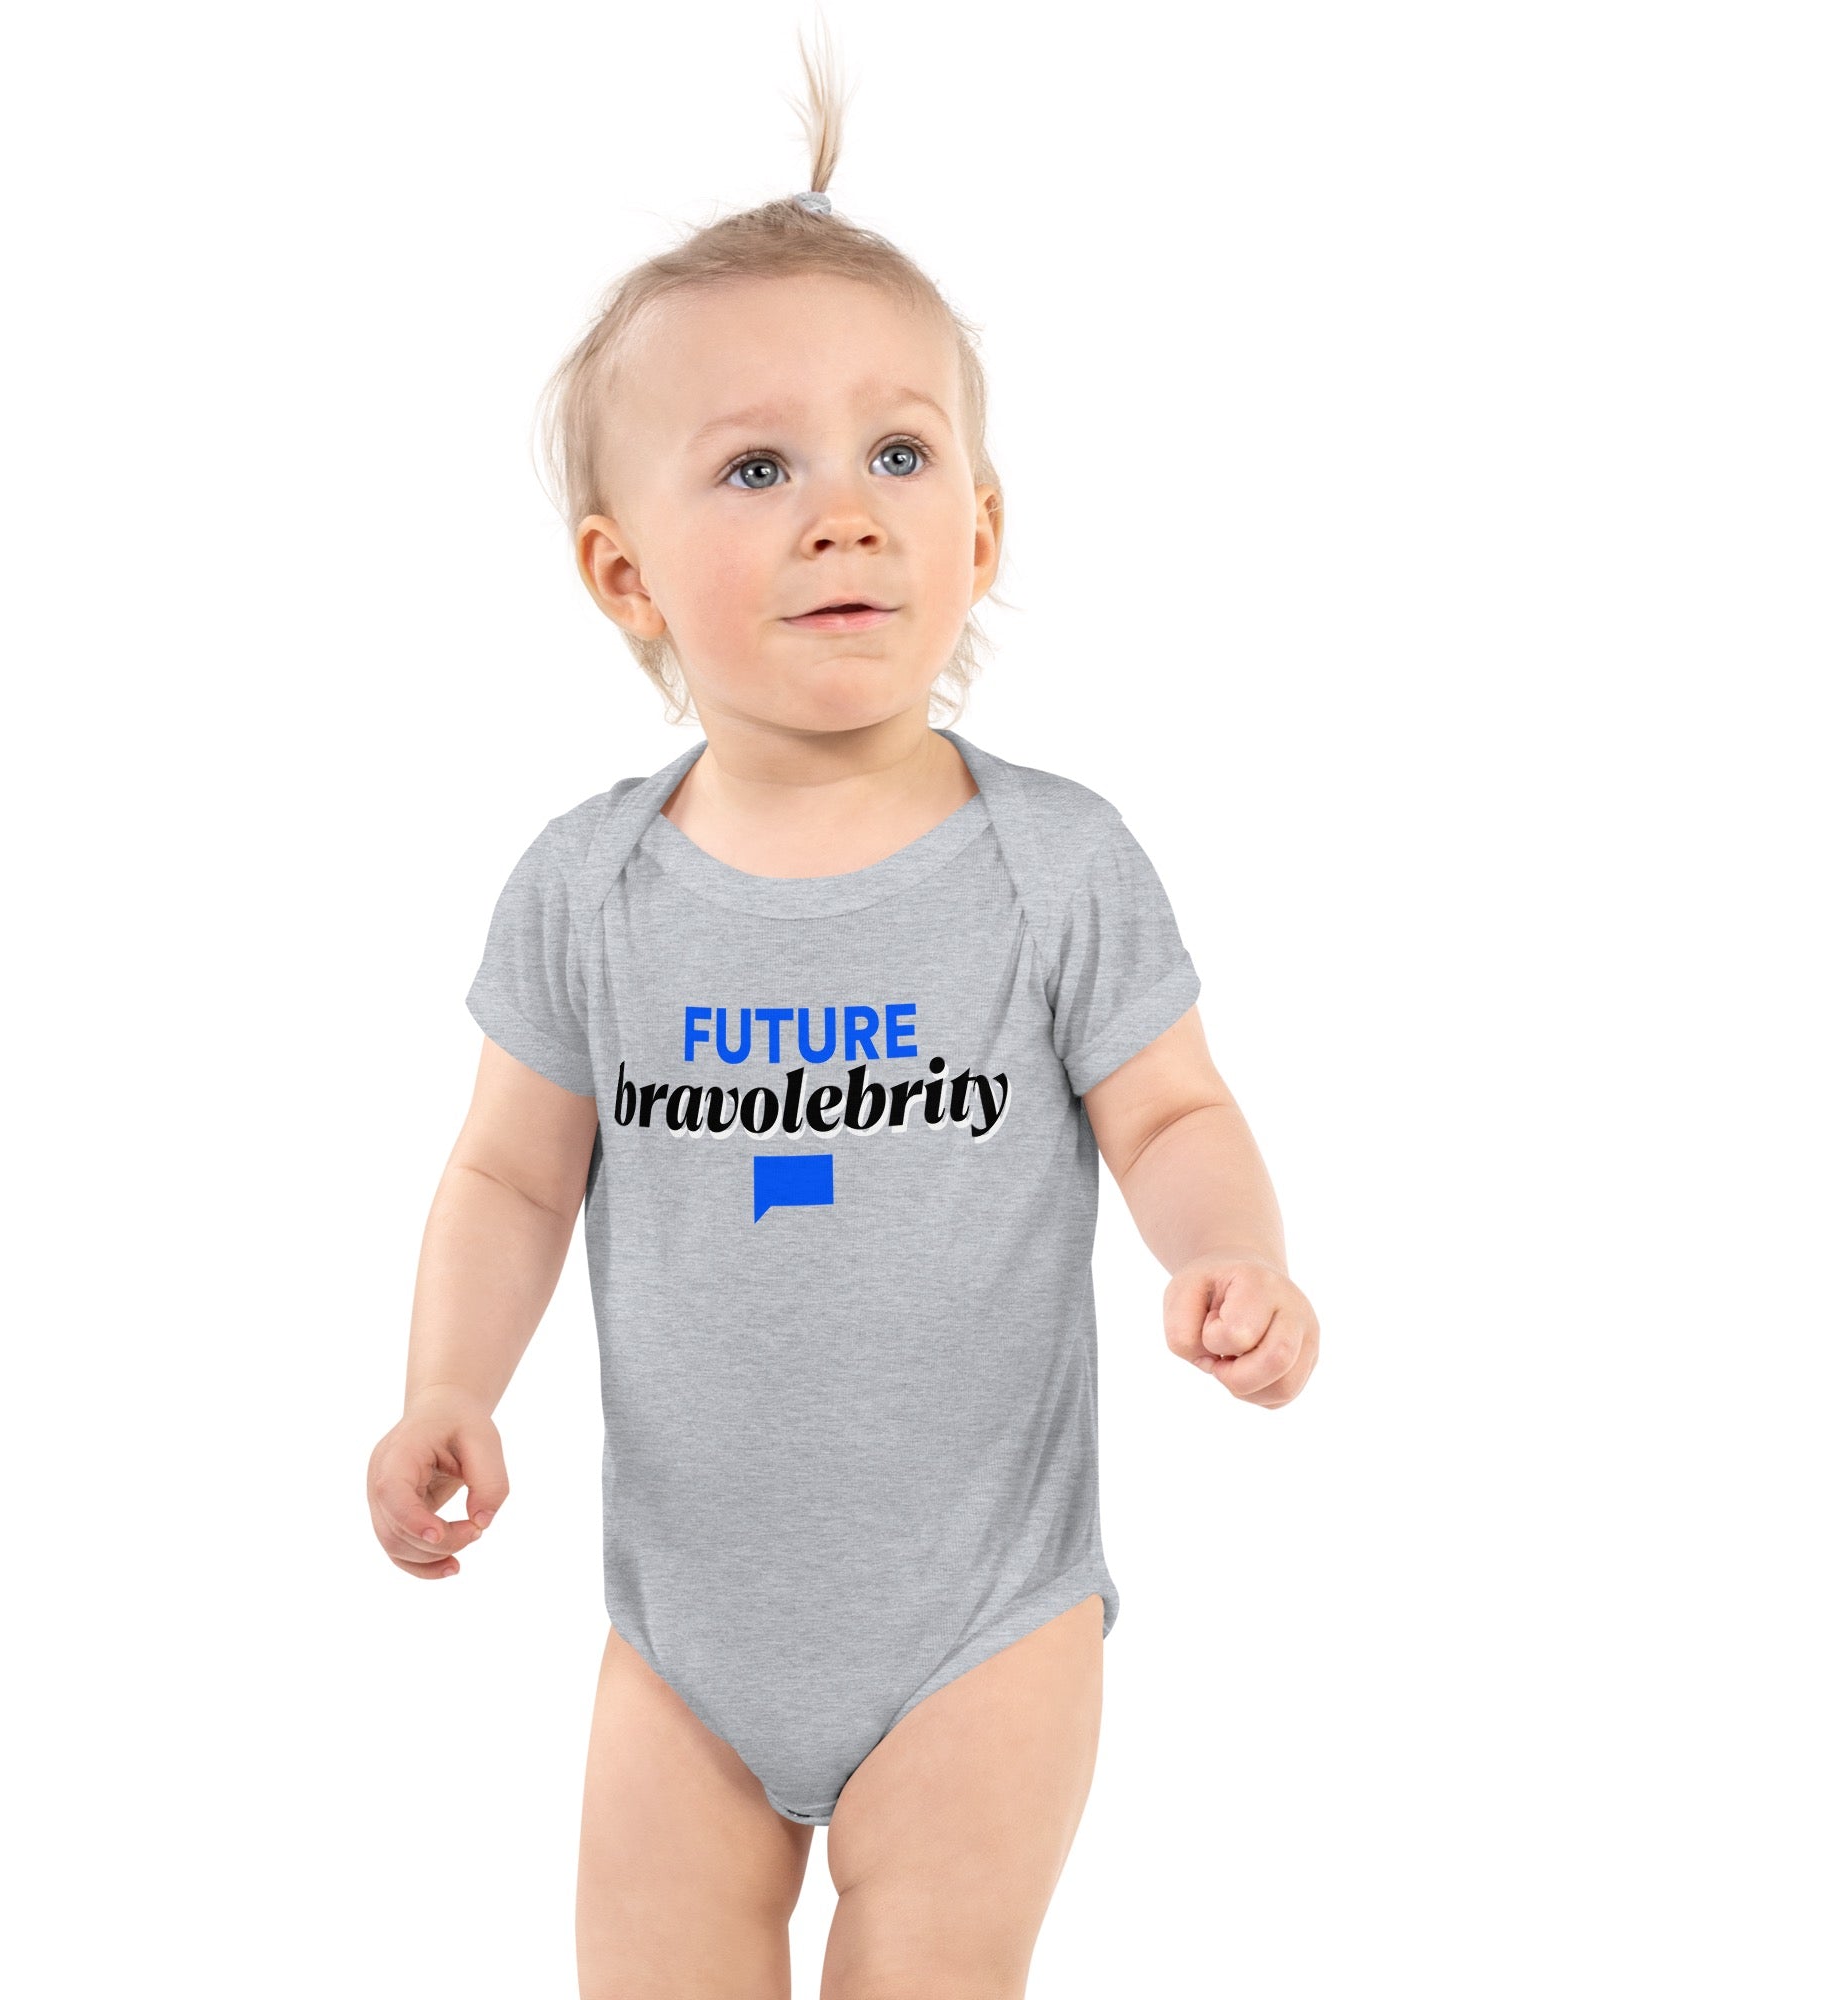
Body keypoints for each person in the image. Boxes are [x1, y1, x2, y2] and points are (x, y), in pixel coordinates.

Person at [365, 24, 1319, 1998]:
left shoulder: (1050, 863)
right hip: (682, 1642)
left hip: (982, 1619)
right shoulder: (588, 890)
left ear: (982, 530)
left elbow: (1169, 1112)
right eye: (756, 467)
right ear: (623, 573)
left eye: (899, 453)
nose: (844, 511)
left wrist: (1227, 1253)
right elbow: (509, 1176)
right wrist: (449, 1381)